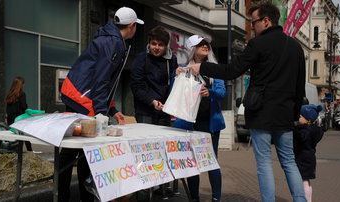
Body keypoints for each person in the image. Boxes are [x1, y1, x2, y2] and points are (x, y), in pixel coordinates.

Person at [186, 2, 307, 201]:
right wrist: (293, 115)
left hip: (261, 113)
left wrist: (202, 67)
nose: (252, 27)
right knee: (289, 161)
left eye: (254, 22)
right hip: (285, 114)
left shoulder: (258, 44)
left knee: (264, 163)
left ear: (266, 21)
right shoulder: (295, 46)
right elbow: (299, 87)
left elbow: (232, 71)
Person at [59, 7, 143, 202]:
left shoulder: (109, 37)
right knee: (75, 151)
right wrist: (101, 113)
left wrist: (112, 110)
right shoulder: (114, 43)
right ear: (131, 26)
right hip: (81, 98)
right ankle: (66, 196)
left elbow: (105, 82)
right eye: (136, 26)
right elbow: (102, 80)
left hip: (77, 94)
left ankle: (77, 196)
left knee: (82, 151)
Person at [174, 35, 225, 202]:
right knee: (192, 163)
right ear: (192, 49)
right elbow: (175, 95)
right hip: (189, 123)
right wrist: (176, 78)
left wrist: (209, 92)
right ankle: (194, 198)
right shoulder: (183, 68)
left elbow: (222, 93)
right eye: (200, 44)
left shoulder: (214, 69)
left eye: (206, 44)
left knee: (212, 162)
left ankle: (216, 198)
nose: (205, 46)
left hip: (210, 124)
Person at [130, 26, 178, 126]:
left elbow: (174, 83)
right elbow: (136, 86)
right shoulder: (141, 58)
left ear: (166, 46)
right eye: (153, 44)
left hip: (165, 110)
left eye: (160, 45)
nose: (156, 47)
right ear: (149, 43)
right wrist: (152, 101)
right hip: (145, 111)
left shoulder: (171, 60)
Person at [294, 104, 324, 202]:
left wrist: (294, 130)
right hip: (308, 159)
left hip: (303, 159)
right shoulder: (313, 129)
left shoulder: (306, 130)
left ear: (308, 119)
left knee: (303, 182)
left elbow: (302, 138)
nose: (297, 118)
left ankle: (306, 200)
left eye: (300, 116)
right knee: (306, 181)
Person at [5, 76, 32, 151]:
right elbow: (24, 106)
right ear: (20, 84)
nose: (24, 85)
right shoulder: (22, 94)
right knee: (25, 137)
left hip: (11, 120)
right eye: (23, 84)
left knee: (15, 137)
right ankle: (30, 152)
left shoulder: (10, 94)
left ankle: (15, 152)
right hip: (20, 119)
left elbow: (8, 109)